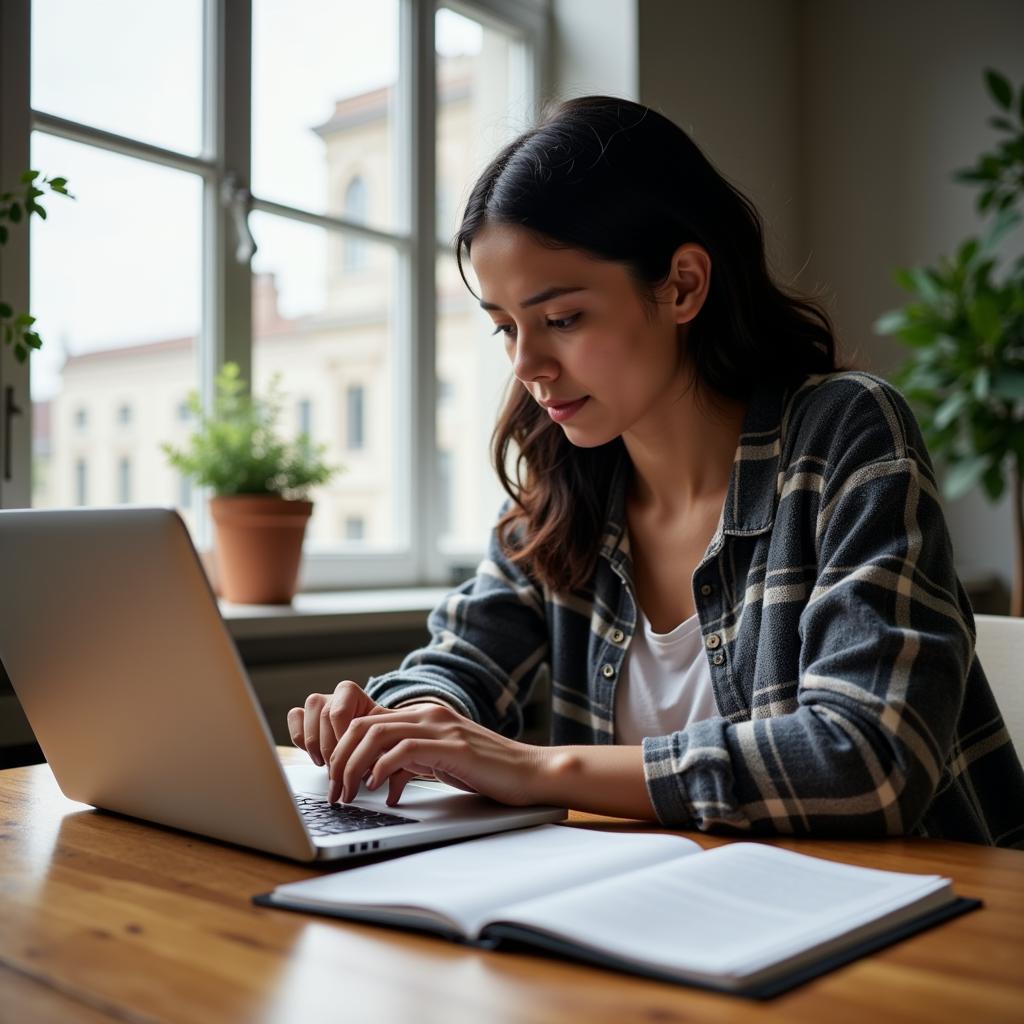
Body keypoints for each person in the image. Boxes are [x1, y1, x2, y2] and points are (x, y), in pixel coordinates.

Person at [288, 96, 1024, 848]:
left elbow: (869, 761)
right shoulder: (566, 486)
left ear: (682, 285)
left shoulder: (846, 433)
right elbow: (460, 665)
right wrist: (395, 721)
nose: (527, 367)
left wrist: (541, 769)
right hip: (672, 926)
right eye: (505, 327)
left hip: (925, 925)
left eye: (562, 319)